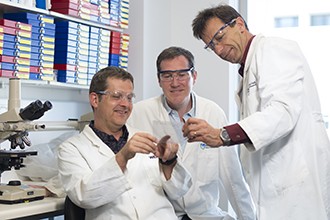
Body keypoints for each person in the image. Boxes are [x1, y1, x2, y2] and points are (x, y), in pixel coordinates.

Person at [188, 4, 330, 220]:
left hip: (297, 191)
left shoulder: (273, 48)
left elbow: (282, 112)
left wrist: (223, 134)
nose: (218, 50)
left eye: (219, 37)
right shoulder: (247, 70)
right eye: (210, 46)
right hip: (276, 191)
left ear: (239, 24)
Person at [127, 46, 256, 220]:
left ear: (194, 76)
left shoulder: (213, 112)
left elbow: (233, 178)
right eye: (167, 76)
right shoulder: (139, 113)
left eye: (182, 74)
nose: (174, 83)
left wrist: (248, 218)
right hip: (160, 215)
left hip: (206, 215)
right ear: (159, 80)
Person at [57, 66, 192, 220]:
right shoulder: (71, 149)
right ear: (95, 99)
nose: (125, 104)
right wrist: (123, 157)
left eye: (129, 97)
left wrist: (169, 162)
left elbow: (178, 191)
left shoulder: (145, 138)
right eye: (117, 96)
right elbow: (84, 196)